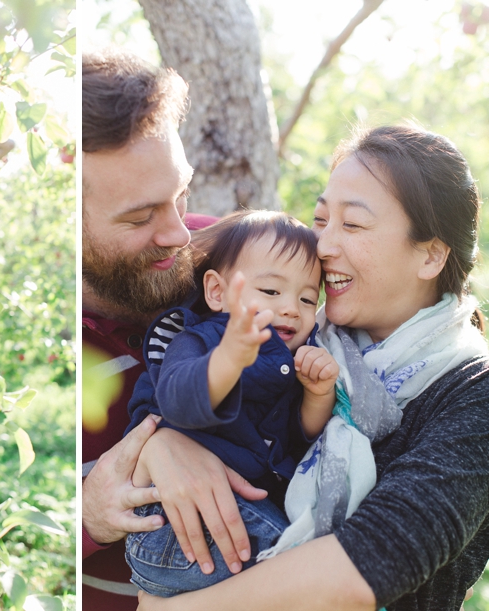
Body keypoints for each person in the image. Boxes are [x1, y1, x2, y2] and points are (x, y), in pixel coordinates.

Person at [136, 125, 489, 611]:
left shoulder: (472, 393)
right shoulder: (293, 337)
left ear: (430, 254)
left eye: (353, 224)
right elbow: (179, 366)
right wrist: (161, 441)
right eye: (322, 219)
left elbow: (371, 564)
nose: (322, 245)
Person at [82, 48, 252, 610]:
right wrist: (87, 510)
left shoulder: (234, 259)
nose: (180, 233)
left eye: (181, 194)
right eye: (140, 217)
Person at [124, 211, 338, 596]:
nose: (291, 307)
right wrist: (228, 359)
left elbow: (298, 435)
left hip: (226, 523)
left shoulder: (292, 358)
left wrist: (317, 395)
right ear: (218, 292)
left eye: (308, 298)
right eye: (271, 292)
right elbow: (177, 403)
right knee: (308, 569)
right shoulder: (197, 341)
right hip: (172, 525)